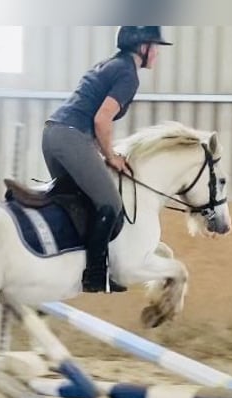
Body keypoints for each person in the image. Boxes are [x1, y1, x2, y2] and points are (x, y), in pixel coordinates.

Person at [42, 26, 172, 293]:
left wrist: (103, 153)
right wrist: (110, 156)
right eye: (154, 46)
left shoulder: (109, 65)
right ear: (142, 48)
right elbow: (101, 119)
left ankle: (55, 269)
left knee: (79, 203)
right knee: (111, 203)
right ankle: (95, 275)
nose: (157, 53)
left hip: (53, 136)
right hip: (71, 137)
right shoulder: (128, 74)